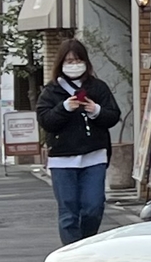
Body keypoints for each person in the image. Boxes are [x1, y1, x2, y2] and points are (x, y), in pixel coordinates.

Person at [36, 38, 121, 243]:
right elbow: (46, 121)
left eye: (78, 60)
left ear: (85, 62)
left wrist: (96, 110)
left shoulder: (97, 88)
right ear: (60, 64)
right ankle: (72, 252)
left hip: (94, 156)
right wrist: (64, 108)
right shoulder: (51, 91)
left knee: (94, 207)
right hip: (62, 160)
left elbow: (113, 115)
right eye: (69, 61)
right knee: (68, 211)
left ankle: (85, 242)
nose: (74, 65)